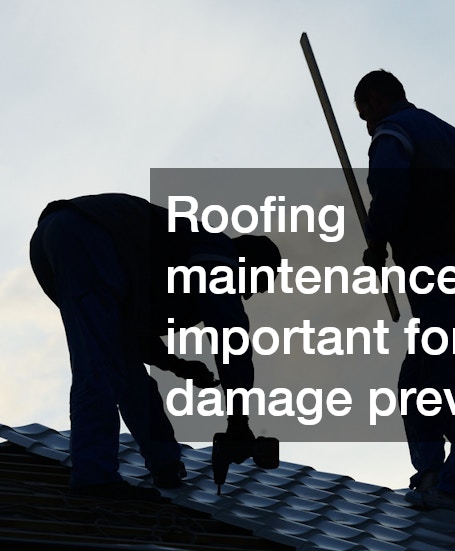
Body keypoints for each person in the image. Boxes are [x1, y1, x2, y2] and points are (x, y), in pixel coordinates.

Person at [29, 193, 281, 501]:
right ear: (245, 263)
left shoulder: (180, 258)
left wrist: (178, 365)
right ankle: (94, 480)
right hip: (90, 235)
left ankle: (164, 464)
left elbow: (134, 337)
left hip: (62, 240)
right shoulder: (217, 250)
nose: (248, 295)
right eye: (254, 284)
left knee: (119, 364)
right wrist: (239, 422)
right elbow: (230, 336)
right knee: (96, 366)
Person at [354, 69, 455, 516]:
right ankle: (432, 473)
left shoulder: (394, 133)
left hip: (437, 267)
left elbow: (389, 189)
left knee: (451, 377)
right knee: (422, 378)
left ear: (380, 101)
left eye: (365, 113)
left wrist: (378, 238)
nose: (366, 125)